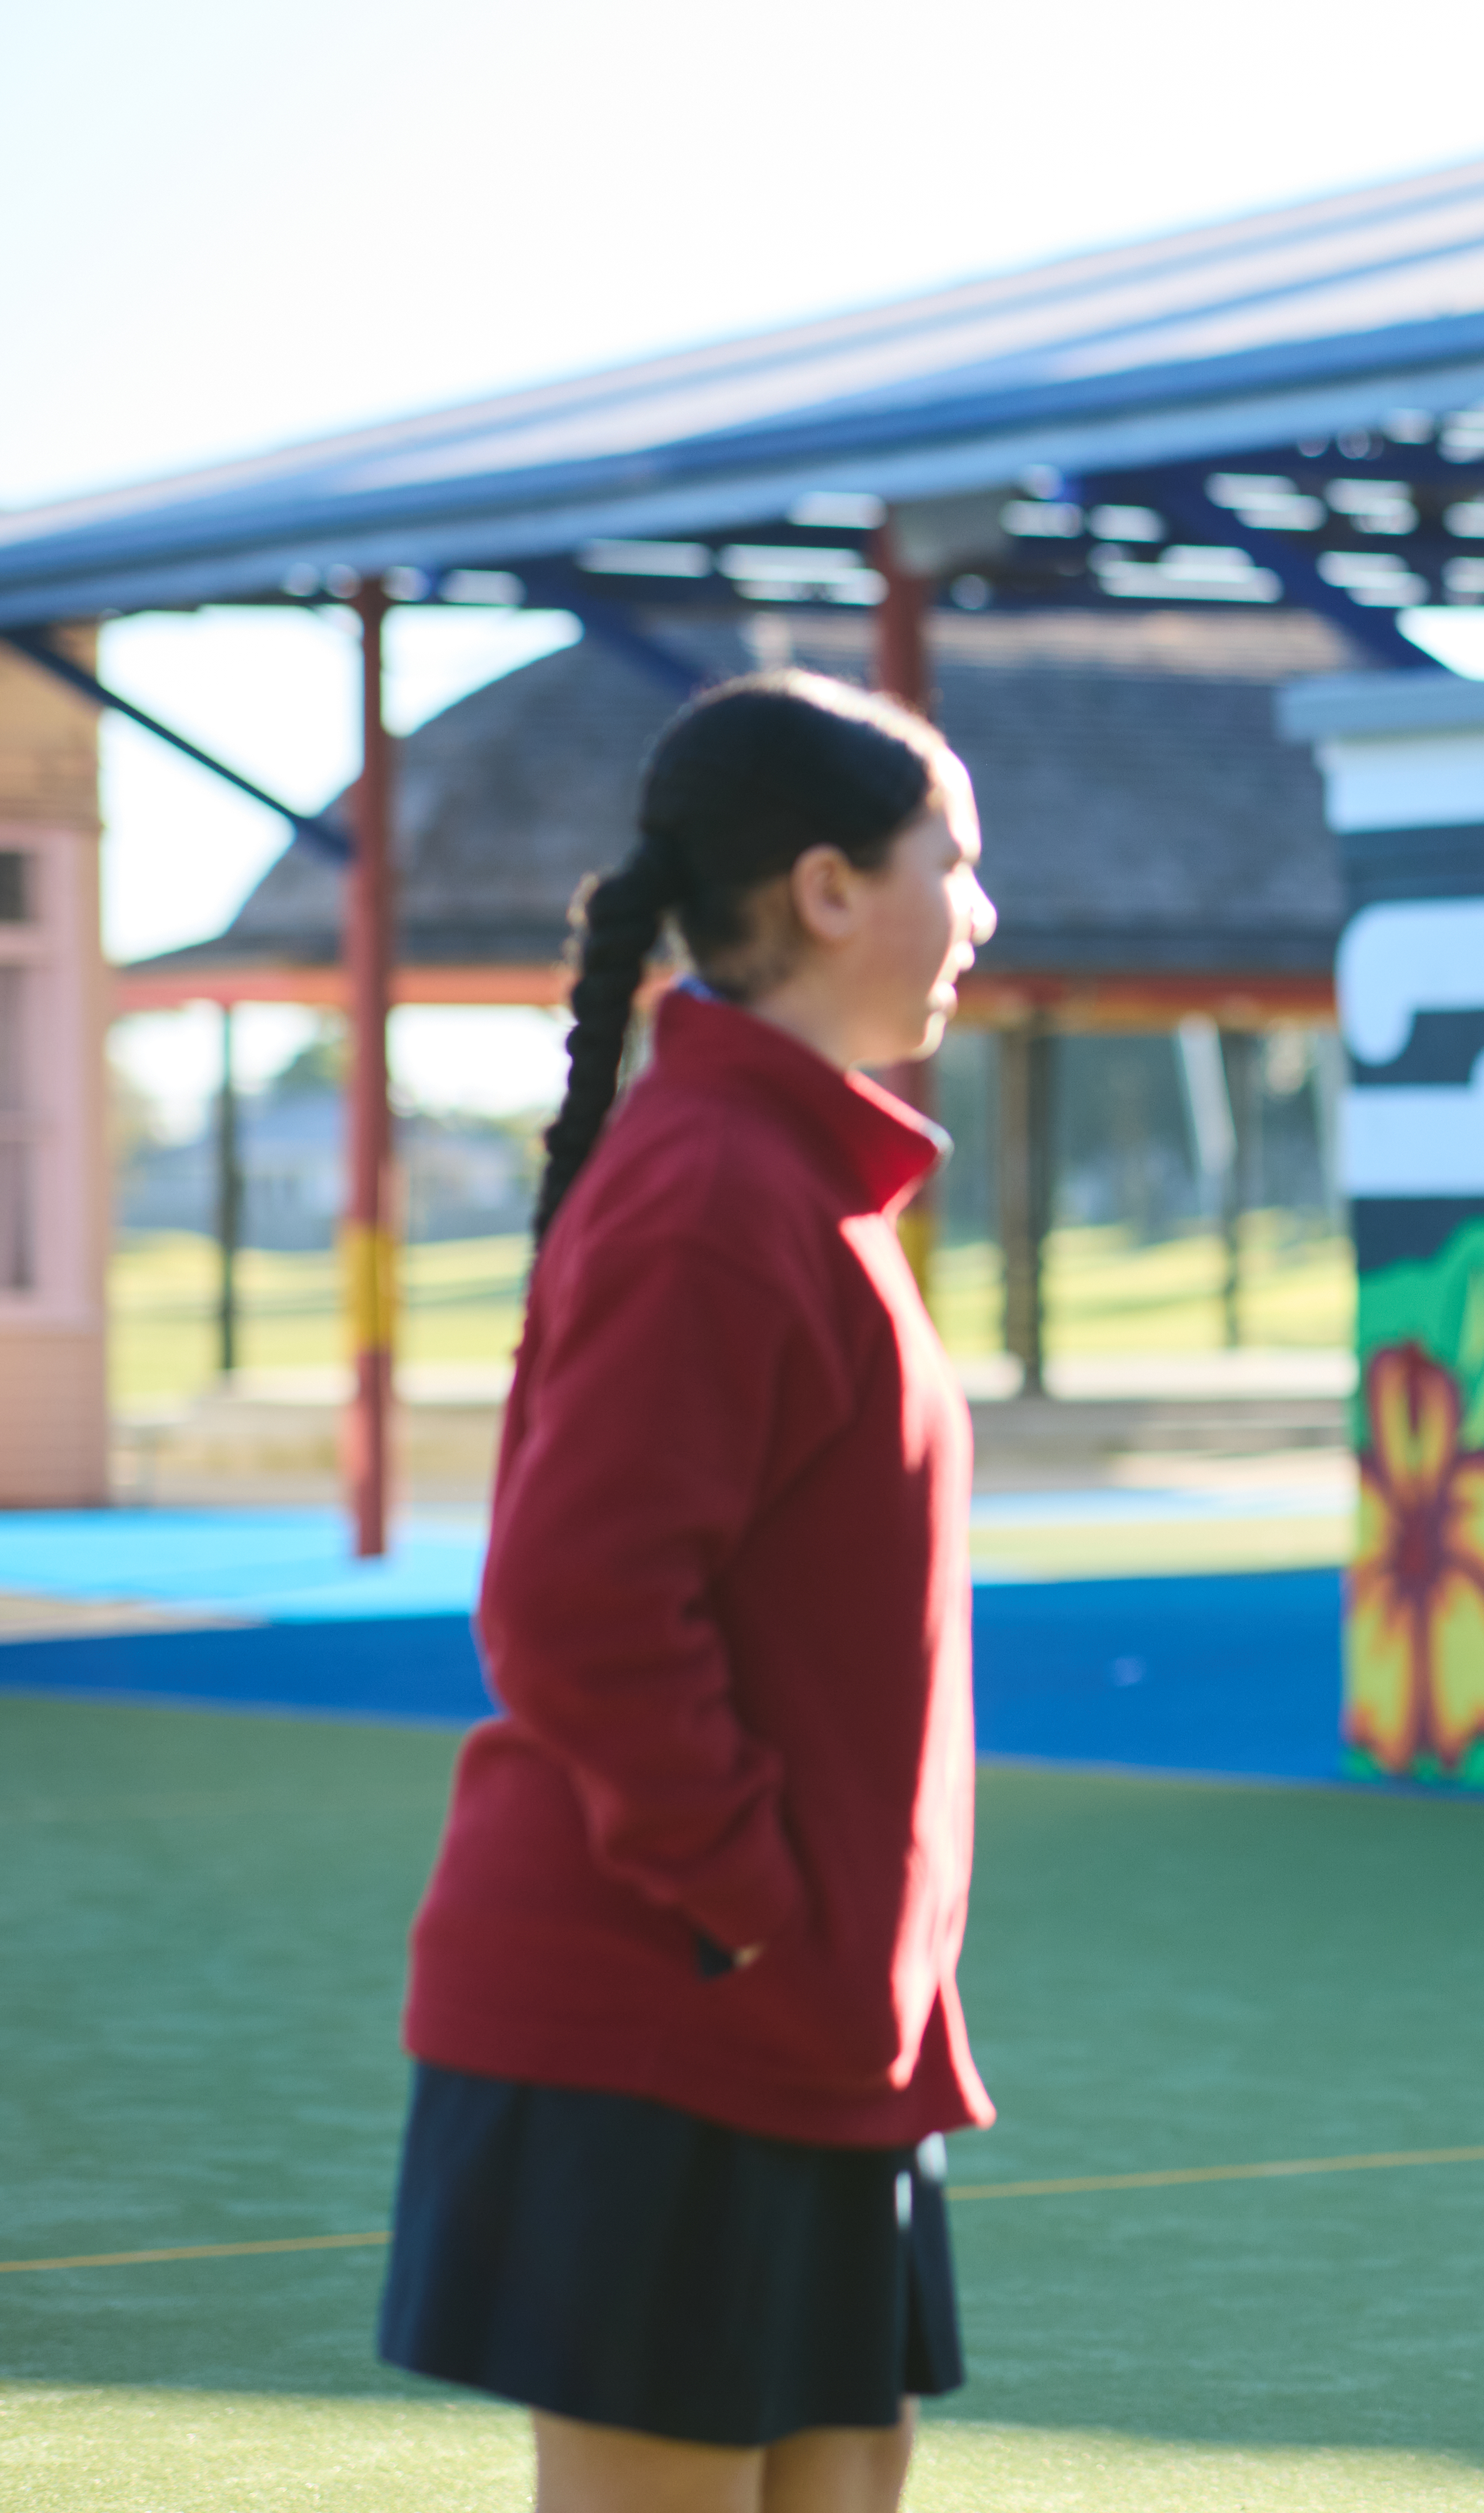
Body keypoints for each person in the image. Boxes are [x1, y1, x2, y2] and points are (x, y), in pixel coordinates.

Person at [375, 672, 999, 2513]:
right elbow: (574, 1610)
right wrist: (751, 1905)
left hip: (812, 2032)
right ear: (826, 888)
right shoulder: (719, 1188)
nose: (978, 912)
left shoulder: (797, 1181)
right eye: (951, 864)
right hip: (677, 2015)